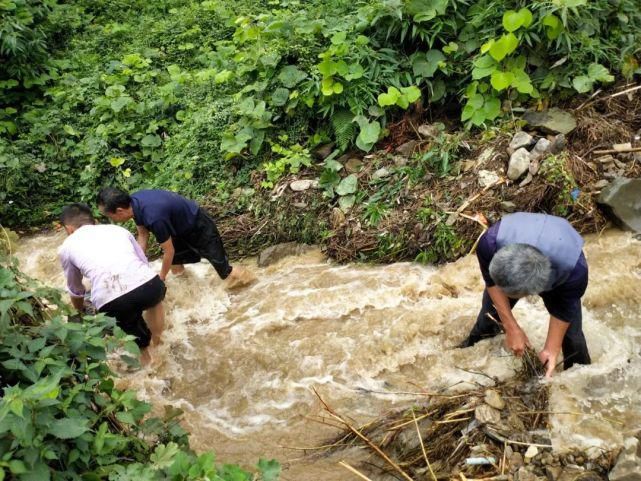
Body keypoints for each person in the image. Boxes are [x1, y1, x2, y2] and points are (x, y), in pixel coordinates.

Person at [460, 212, 591, 378]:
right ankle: (469, 352)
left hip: (562, 261)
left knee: (573, 339)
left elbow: (563, 313)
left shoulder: (574, 272)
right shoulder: (489, 244)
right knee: (490, 316)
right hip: (522, 241)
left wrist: (551, 350)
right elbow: (492, 284)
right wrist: (511, 326)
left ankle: (582, 379)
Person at [58, 203, 165, 366]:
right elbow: (143, 261)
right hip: (149, 284)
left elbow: (75, 289)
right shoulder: (118, 230)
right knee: (154, 302)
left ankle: (148, 361)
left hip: (113, 300)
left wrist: (79, 309)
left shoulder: (66, 247)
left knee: (133, 329)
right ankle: (158, 342)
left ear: (69, 229)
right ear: (93, 221)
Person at [96, 187, 251, 286]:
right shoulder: (134, 203)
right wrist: (137, 263)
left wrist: (161, 278)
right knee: (175, 264)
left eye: (109, 216)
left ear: (119, 211)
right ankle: (192, 292)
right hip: (178, 229)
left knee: (225, 271)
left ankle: (255, 282)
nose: (111, 220)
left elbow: (168, 251)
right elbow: (142, 235)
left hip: (198, 226)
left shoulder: (153, 217)